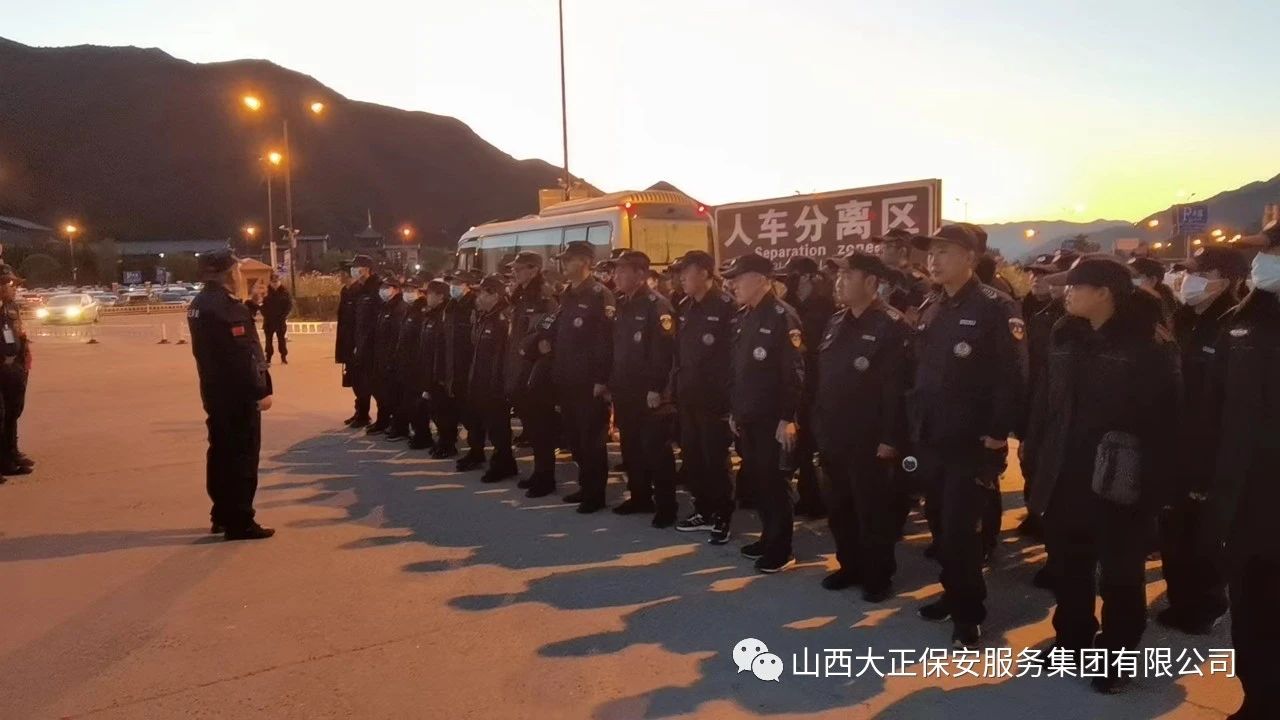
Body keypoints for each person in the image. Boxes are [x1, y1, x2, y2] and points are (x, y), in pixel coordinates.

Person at [1023, 256, 1180, 693]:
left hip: (1120, 478)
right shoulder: (1064, 334)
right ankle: (1072, 639)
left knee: (1120, 575)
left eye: (1075, 287)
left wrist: (1156, 487)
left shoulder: (1148, 343)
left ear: (1104, 293)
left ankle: (1117, 655)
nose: (1066, 294)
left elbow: (1167, 419)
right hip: (1065, 473)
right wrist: (1035, 451)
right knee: (1068, 565)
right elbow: (1045, 401)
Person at [908, 224, 1027, 648]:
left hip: (971, 442)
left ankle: (968, 612)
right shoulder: (932, 305)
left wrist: (997, 434)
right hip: (932, 436)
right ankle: (951, 592)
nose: (934, 260)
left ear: (970, 258)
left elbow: (1013, 376)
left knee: (961, 531)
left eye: (944, 252)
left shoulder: (996, 306)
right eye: (931, 253)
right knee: (940, 526)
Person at [1204, 220, 1280, 719]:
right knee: (1251, 611)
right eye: (1266, 251)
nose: (1265, 261)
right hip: (1248, 500)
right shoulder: (1241, 321)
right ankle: (1258, 701)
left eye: (1275, 251)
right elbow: (1213, 409)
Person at [1157, 245, 1246, 636]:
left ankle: (1207, 605)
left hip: (1209, 449)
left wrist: (1214, 463)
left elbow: (1233, 403)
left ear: (1221, 280)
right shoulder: (1182, 319)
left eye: (1197, 273)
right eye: (1185, 271)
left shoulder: (1233, 325)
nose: (1185, 279)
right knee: (1174, 529)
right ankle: (1181, 600)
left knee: (1204, 534)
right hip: (1173, 443)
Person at [814, 252, 911, 601]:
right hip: (834, 434)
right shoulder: (836, 321)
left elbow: (897, 389)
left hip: (869, 437)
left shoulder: (892, 325)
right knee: (839, 508)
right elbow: (825, 378)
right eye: (839, 276)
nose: (839, 282)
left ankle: (878, 575)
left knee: (872, 510)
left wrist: (890, 438)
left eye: (848, 276)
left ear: (871, 282)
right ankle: (849, 565)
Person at [722, 253, 805, 574]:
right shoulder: (746, 316)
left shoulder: (783, 317)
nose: (733, 284)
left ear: (760, 279)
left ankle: (782, 549)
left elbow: (794, 372)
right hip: (749, 414)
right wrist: (735, 409)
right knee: (758, 480)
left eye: (739, 278)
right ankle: (768, 537)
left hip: (773, 418)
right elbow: (737, 369)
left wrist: (787, 417)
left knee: (774, 482)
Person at [186, 250, 274, 540]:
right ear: (227, 273)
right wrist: (261, 390)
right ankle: (241, 520)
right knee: (242, 457)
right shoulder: (228, 308)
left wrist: (249, 306)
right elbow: (243, 356)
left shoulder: (200, 303)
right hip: (238, 395)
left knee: (220, 453)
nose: (239, 274)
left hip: (214, 391)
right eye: (236, 270)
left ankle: (222, 514)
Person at [606, 251, 679, 527]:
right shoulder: (622, 303)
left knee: (656, 450)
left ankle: (666, 506)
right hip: (625, 390)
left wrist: (656, 387)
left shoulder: (656, 305)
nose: (617, 276)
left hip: (649, 392)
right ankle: (639, 496)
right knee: (631, 446)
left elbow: (664, 351)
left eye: (623, 271)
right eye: (616, 271)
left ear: (640, 274)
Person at [670, 250, 736, 544]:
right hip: (688, 396)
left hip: (714, 399)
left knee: (715, 459)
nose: (681, 278)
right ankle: (703, 509)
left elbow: (733, 357)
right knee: (693, 457)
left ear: (706, 273)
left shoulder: (726, 307)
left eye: (687, 271)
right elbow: (680, 355)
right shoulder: (685, 306)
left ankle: (722, 515)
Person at [550, 241, 616, 513]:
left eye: (569, 259)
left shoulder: (600, 294)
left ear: (585, 262)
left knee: (592, 440)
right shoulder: (567, 294)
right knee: (575, 438)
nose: (564, 264)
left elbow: (606, 341)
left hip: (590, 381)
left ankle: (595, 493)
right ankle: (584, 485)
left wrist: (602, 379)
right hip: (567, 378)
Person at [778, 256, 835, 520]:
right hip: (796, 384)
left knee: (817, 445)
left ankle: (820, 498)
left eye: (794, 276)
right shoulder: (788, 306)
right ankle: (808, 494)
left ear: (808, 277)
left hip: (818, 385)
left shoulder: (825, 306)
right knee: (799, 447)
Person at [505, 252, 560, 497]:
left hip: (534, 372)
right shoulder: (521, 295)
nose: (514, 273)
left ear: (534, 270)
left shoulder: (542, 298)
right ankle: (539, 472)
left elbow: (542, 337)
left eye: (519, 269)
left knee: (541, 427)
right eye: (514, 269)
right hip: (519, 369)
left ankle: (546, 476)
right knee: (532, 426)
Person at [458, 275, 519, 483]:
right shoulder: (484, 316)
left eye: (482, 293)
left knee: (497, 426)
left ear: (494, 295)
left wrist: (500, 384)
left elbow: (505, 356)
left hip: (495, 383)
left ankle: (504, 463)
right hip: (478, 378)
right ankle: (476, 453)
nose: (478, 297)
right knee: (475, 420)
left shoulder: (503, 319)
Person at [441, 271, 481, 468]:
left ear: (467, 285)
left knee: (470, 414)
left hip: (467, 368)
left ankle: (476, 452)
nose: (453, 286)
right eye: (452, 282)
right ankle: (448, 443)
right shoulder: (451, 305)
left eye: (457, 283)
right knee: (451, 409)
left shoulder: (474, 306)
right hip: (452, 367)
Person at [0, 266, 32, 479]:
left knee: (13, 411)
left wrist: (23, 357)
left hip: (13, 366)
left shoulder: (11, 306)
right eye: (9, 284)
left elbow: (18, 332)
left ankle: (10, 455)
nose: (14, 288)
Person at [388, 277, 429, 442]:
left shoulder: (422, 311)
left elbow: (421, 341)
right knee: (405, 399)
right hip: (405, 363)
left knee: (416, 403)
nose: (407, 293)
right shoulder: (409, 309)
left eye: (412, 290)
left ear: (420, 292)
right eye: (406, 290)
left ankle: (422, 434)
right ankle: (408, 429)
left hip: (415, 365)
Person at [367, 275, 408, 437]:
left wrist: (392, 358)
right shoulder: (385, 306)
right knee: (381, 393)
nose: (383, 290)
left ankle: (399, 426)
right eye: (382, 287)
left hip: (391, 359)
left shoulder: (400, 308)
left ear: (396, 289)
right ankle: (383, 421)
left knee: (394, 395)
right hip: (381, 357)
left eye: (387, 287)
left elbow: (397, 337)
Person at [344, 256, 382, 429]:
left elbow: (375, 321)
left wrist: (366, 343)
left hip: (371, 345)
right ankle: (361, 413)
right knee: (359, 382)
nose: (353, 270)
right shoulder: (358, 289)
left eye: (357, 267)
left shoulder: (376, 288)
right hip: (357, 343)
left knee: (374, 384)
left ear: (367, 269)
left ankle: (383, 418)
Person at [417, 279, 452, 454]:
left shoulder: (444, 317)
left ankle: (447, 443)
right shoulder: (430, 315)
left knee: (442, 411)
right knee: (433, 409)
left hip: (438, 373)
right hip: (427, 370)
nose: (426, 297)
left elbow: (443, 349)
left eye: (429, 294)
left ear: (440, 297)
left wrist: (439, 375)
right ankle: (441, 441)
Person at [261, 273, 292, 365]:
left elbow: (289, 305)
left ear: (279, 281)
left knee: (281, 340)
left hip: (280, 321)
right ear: (270, 282)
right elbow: (261, 305)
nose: (275, 283)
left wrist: (284, 316)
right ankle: (268, 358)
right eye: (273, 281)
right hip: (268, 321)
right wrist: (266, 315)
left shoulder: (284, 292)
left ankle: (283, 357)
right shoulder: (265, 292)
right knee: (268, 341)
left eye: (276, 281)